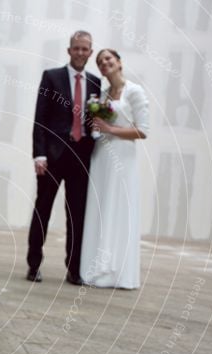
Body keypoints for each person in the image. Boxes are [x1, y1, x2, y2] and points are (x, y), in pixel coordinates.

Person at [27, 30, 101, 285]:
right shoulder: (52, 77)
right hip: (53, 156)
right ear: (69, 50)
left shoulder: (95, 82)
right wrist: (39, 154)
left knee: (77, 215)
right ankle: (33, 264)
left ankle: (74, 269)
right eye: (76, 48)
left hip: (81, 158)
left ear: (90, 52)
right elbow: (40, 118)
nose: (81, 53)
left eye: (85, 49)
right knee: (43, 210)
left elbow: (94, 121)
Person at [79, 49, 149, 289]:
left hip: (122, 156)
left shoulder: (134, 91)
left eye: (108, 59)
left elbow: (143, 130)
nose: (104, 63)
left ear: (119, 62)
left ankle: (118, 271)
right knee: (101, 208)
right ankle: (97, 269)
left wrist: (111, 130)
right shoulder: (102, 94)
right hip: (102, 157)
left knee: (118, 209)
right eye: (100, 62)